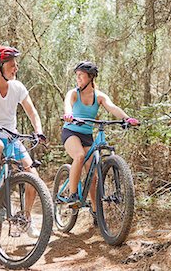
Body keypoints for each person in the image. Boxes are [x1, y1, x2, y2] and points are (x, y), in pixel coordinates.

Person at [0, 46, 45, 238]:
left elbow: (32, 111)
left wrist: (38, 131)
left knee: (34, 177)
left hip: (12, 137)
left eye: (16, 65)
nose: (16, 68)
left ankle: (26, 219)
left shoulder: (18, 87)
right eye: (12, 65)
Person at [62, 61, 139, 226]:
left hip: (87, 135)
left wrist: (126, 118)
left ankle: (96, 211)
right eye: (77, 76)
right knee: (80, 155)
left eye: (81, 76)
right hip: (71, 132)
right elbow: (68, 104)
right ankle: (73, 194)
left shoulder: (100, 96)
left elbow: (112, 107)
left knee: (94, 176)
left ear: (90, 77)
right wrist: (68, 114)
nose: (78, 79)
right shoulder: (73, 93)